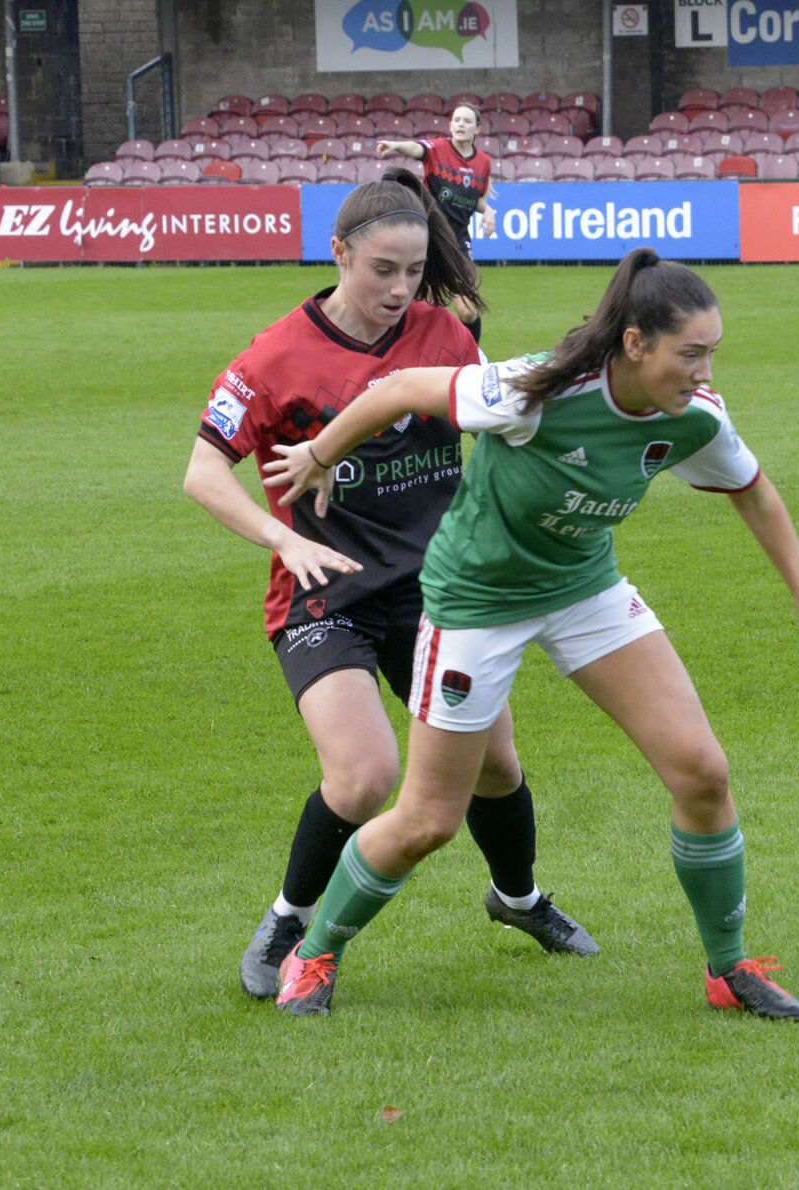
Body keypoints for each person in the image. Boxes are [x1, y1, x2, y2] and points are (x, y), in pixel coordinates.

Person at [261, 247, 799, 1019]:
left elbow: (755, 493)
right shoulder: (534, 390)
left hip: (584, 591)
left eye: (712, 353)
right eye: (691, 353)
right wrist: (319, 453)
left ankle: (729, 967)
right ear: (635, 343)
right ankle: (312, 956)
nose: (705, 371)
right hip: (475, 601)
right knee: (427, 822)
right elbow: (406, 387)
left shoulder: (695, 418)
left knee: (702, 772)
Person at [183, 165, 597, 1002]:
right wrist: (282, 540)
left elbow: (504, 430)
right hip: (324, 593)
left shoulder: (445, 334)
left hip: (443, 593)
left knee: (495, 767)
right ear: (338, 253)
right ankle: (289, 922)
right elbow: (202, 471)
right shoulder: (274, 358)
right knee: (366, 777)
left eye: (413, 272)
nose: (401, 289)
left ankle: (517, 899)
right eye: (383, 271)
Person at [377, 102, 494, 344]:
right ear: (450, 125)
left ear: (477, 129)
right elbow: (416, 148)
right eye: (456, 120)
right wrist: (397, 146)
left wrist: (489, 211)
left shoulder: (483, 162)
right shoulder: (437, 149)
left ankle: (471, 359)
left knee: (468, 311)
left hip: (458, 242)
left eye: (466, 121)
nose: (460, 124)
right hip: (427, 236)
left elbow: (475, 199)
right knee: (417, 304)